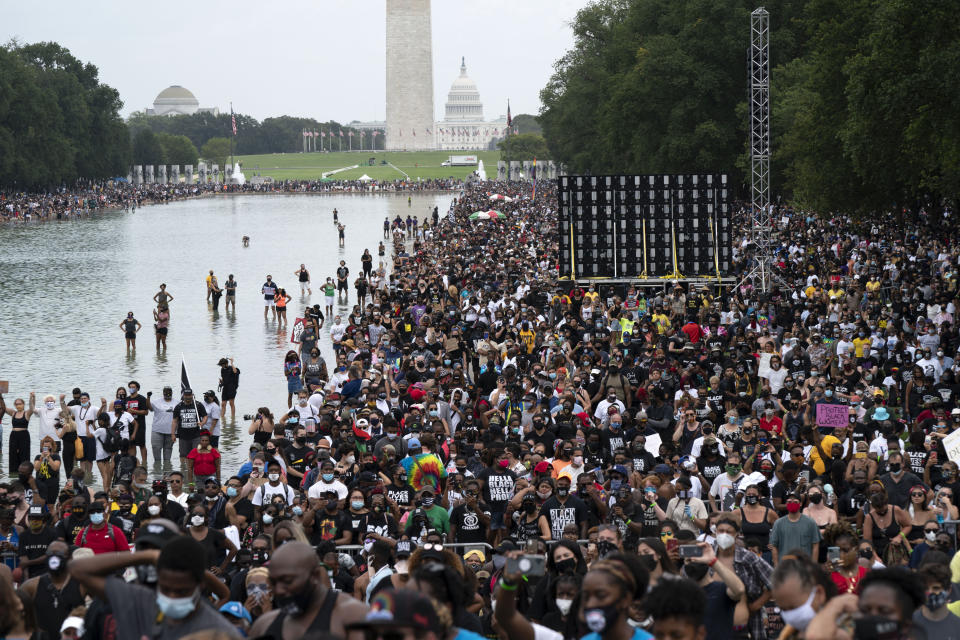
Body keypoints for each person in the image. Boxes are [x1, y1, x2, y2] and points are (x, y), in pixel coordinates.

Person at [69, 533, 241, 638]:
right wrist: (149, 556)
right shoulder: (143, 601)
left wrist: (191, 564)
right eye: (165, 589)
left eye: (182, 591)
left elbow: (224, 593)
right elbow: (78, 568)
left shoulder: (217, 629)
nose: (171, 597)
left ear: (200, 585)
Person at [249, 540, 368, 639]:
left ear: (315, 575)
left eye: (288, 581)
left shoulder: (353, 615)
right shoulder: (264, 625)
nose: (279, 590)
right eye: (273, 582)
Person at [18, 540, 85, 638]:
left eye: (59, 554)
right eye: (50, 554)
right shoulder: (31, 586)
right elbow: (16, 614)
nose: (54, 557)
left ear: (69, 558)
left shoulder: (81, 585)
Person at [769, 491, 821, 564]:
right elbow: (774, 547)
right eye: (789, 502)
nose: (792, 504)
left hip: (805, 567)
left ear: (800, 504)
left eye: (795, 502)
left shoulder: (810, 523)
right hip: (785, 567)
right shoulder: (778, 523)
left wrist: (813, 567)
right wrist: (777, 567)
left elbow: (815, 545)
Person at [149, 386, 176, 470]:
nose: (167, 393)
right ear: (163, 393)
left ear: (172, 392)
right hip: (157, 431)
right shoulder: (156, 402)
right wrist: (148, 398)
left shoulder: (177, 403)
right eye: (166, 392)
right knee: (156, 450)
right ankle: (157, 472)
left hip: (170, 432)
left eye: (169, 392)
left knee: (167, 456)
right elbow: (149, 408)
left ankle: (167, 471)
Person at [218, 357, 240, 421]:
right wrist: (221, 382)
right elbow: (224, 378)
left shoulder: (231, 368)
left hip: (232, 388)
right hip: (225, 388)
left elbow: (236, 372)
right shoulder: (222, 370)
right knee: (223, 404)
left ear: (226, 363)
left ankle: (233, 418)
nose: (221, 366)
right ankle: (222, 418)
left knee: (231, 403)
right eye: (221, 365)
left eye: (222, 364)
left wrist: (232, 363)